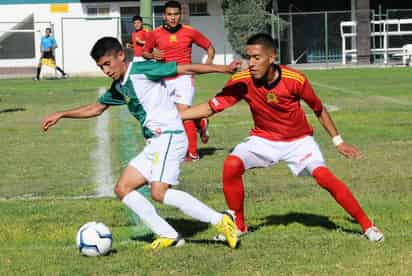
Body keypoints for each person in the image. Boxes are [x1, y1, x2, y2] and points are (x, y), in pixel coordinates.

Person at [180, 33, 384, 242]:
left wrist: (338, 142)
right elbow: (209, 108)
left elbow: (319, 109)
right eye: (248, 57)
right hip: (263, 139)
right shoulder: (242, 81)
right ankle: (239, 226)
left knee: (324, 177)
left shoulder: (295, 79)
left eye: (256, 58)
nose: (251, 63)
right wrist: (174, 117)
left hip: (298, 141)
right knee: (232, 164)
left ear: (272, 58)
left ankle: (368, 226)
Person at [41, 37, 240, 250]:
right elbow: (96, 108)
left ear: (120, 56)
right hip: (155, 142)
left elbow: (185, 68)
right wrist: (63, 114)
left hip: (170, 135)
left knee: (159, 192)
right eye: (101, 67)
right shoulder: (120, 85)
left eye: (108, 64)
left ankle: (220, 220)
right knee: (123, 188)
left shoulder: (141, 69)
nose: (106, 70)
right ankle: (169, 235)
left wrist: (223, 68)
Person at [142, 0, 215, 161]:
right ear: (164, 15)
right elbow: (145, 52)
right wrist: (153, 55)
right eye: (169, 14)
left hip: (184, 79)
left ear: (180, 15)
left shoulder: (190, 32)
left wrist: (208, 64)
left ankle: (193, 153)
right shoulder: (155, 33)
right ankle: (200, 122)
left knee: (183, 114)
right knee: (171, 116)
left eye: (175, 14)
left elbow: (209, 47)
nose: (173, 18)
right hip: (164, 80)